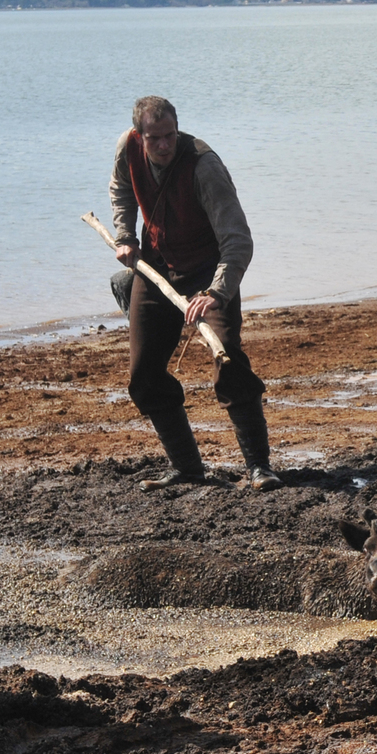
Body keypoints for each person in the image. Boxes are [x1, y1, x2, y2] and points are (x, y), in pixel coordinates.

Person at [110, 96, 281, 491]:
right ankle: (188, 469)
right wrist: (125, 236)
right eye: (155, 139)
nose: (164, 146)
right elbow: (120, 190)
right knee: (144, 375)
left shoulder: (205, 166)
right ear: (140, 136)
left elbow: (238, 241)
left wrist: (216, 294)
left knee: (229, 359)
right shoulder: (128, 148)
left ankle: (259, 467)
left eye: (170, 136)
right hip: (157, 268)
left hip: (209, 272)